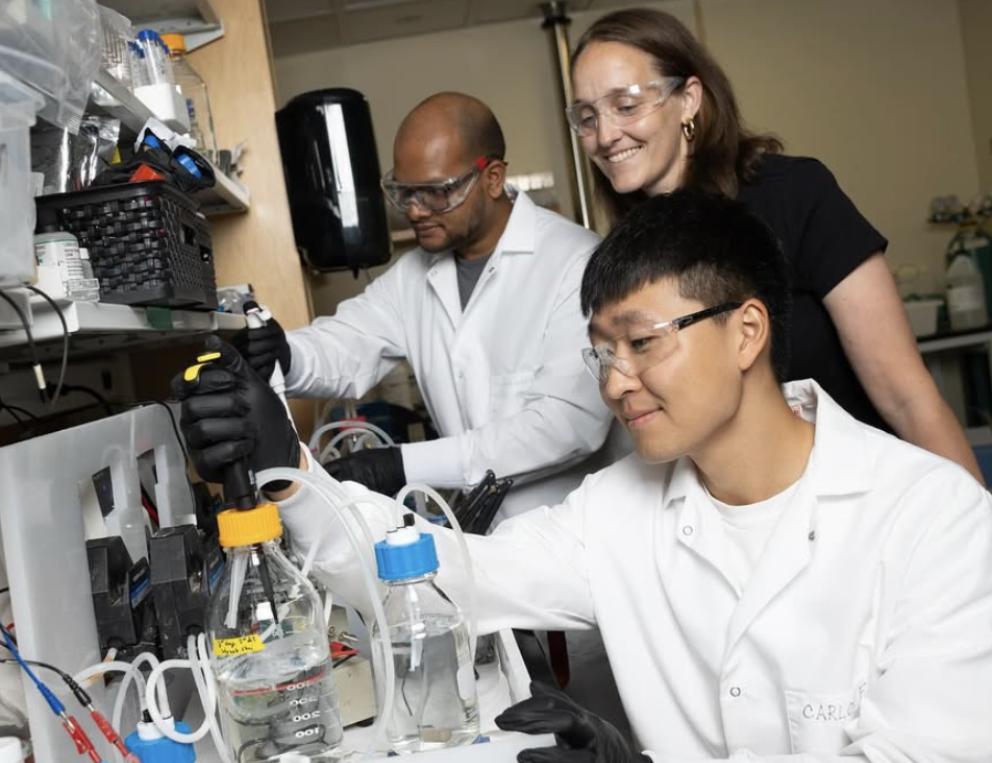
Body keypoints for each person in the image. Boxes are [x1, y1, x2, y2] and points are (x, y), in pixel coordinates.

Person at [175, 190, 992, 761]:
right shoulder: (616, 509)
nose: (613, 380)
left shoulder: (933, 518)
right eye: (601, 351)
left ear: (746, 332)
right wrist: (290, 473)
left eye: (642, 342)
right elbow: (448, 575)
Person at [565, 7, 982, 481]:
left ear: (688, 100)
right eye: (587, 117)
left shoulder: (794, 194)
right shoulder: (629, 255)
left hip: (861, 494)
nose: (605, 135)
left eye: (626, 105)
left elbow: (909, 397)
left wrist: (975, 529)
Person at [227, 91, 612, 518]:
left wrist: (400, 465)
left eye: (435, 192)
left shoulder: (577, 262)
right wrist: (286, 353)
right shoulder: (413, 275)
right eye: (402, 192)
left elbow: (566, 426)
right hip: (489, 540)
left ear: (493, 177)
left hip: (577, 532)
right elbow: (350, 341)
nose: (414, 210)